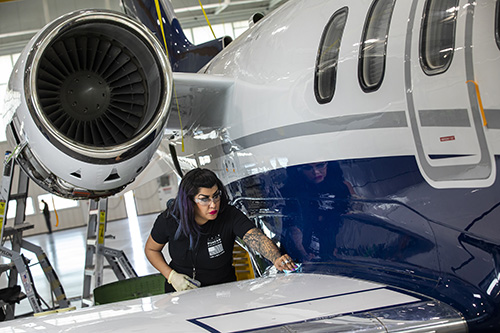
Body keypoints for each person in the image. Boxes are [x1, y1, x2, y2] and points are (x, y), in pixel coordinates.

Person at [145, 168, 297, 293]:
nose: (213, 205)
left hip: (223, 292)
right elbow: (151, 249)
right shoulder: (170, 220)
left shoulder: (228, 215)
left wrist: (276, 258)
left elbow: (255, 237)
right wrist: (171, 276)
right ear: (189, 201)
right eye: (204, 199)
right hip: (181, 291)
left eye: (216, 196)